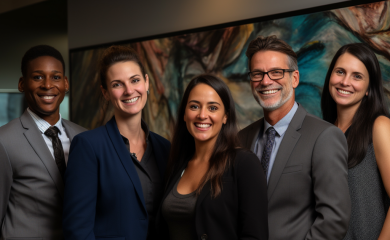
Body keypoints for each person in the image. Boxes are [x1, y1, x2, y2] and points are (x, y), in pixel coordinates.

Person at [238, 35, 351, 239]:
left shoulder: (324, 137)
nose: (265, 81)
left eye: (276, 72)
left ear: (295, 78)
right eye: (257, 74)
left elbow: (333, 220)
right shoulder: (241, 138)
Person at [62, 45, 170, 240]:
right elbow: (77, 230)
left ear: (146, 82)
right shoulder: (88, 146)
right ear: (105, 92)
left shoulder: (165, 148)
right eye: (117, 84)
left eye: (135, 80)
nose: (129, 91)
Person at [158, 74, 268, 240]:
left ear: (225, 117)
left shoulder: (244, 164)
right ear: (184, 114)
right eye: (194, 106)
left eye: (213, 108)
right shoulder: (177, 165)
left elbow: (255, 236)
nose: (202, 115)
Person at [0, 45, 86, 239]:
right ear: (22, 83)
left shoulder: (84, 137)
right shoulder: (4, 141)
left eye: (55, 77)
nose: (48, 85)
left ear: (65, 83)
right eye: (38, 77)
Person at [321, 43, 390, 240]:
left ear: (369, 88)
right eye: (340, 72)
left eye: (357, 76)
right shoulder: (323, 132)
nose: (345, 82)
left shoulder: (379, 126)